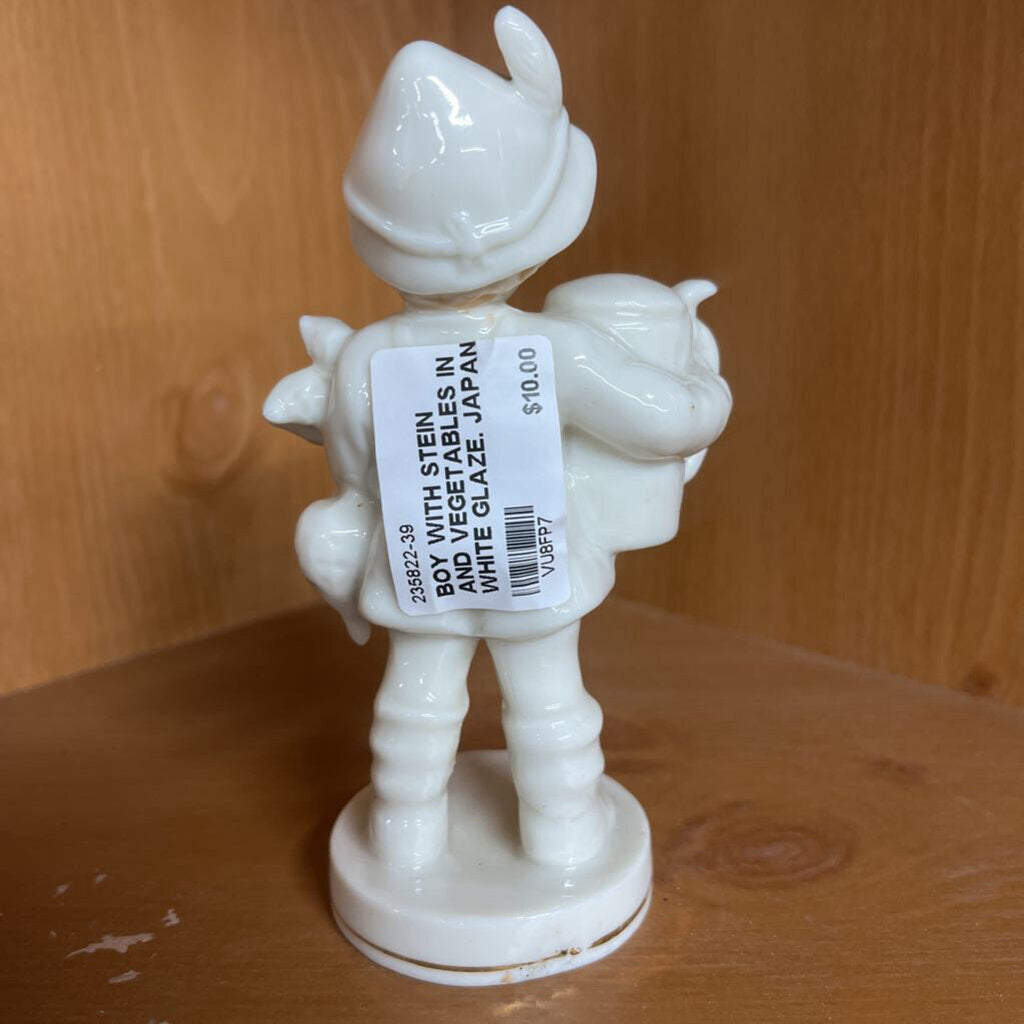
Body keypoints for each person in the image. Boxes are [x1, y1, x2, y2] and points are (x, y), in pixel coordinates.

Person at [265, 7, 731, 872]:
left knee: (416, 699)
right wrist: (706, 371)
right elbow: (670, 419)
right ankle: (563, 836)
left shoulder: (368, 356)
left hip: (419, 564)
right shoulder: (553, 350)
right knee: (549, 700)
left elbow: (358, 469)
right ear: (535, 233)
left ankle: (404, 842)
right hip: (535, 563)